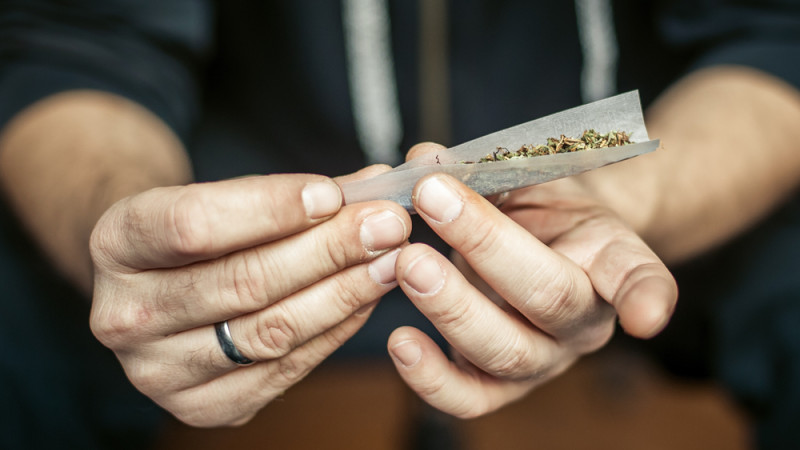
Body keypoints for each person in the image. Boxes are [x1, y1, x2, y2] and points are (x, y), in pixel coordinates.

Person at [0, 1, 798, 449]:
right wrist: (134, 238)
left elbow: (775, 42)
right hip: (248, 200)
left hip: (643, 192)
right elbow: (77, 43)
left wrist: (627, 202)